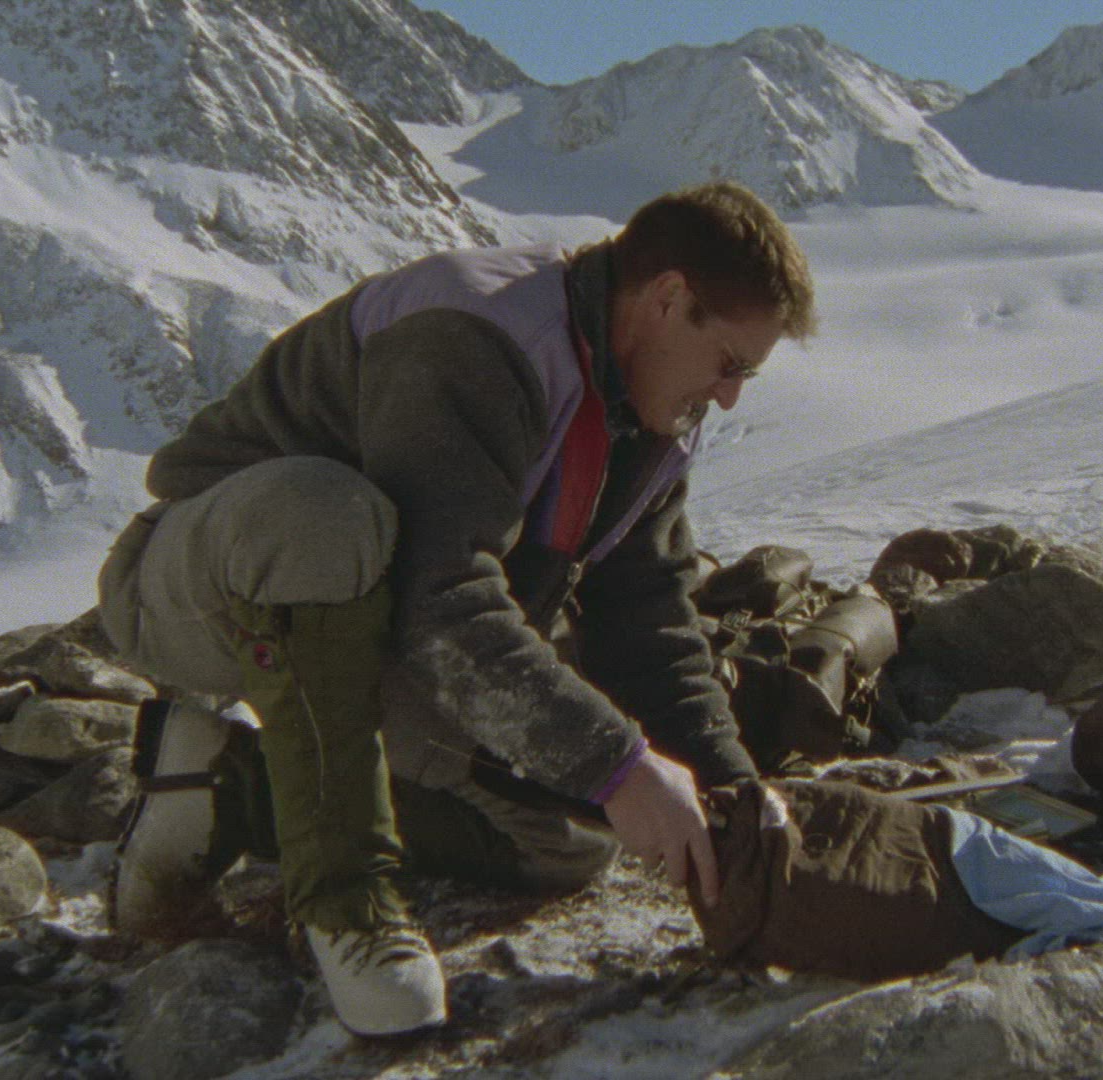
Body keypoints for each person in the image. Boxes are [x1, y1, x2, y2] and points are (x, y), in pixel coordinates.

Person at [96, 182, 816, 1036]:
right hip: (204, 588)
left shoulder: (655, 413)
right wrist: (619, 765)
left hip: (379, 629)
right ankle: (347, 897)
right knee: (331, 513)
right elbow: (442, 602)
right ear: (667, 299)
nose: (729, 396)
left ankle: (224, 785)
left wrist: (734, 802)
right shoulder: (480, 334)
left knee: (569, 835)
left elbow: (647, 619)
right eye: (731, 364)